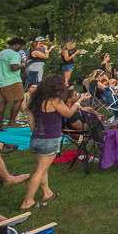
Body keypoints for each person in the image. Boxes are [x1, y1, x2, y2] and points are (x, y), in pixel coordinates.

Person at [21, 74, 85, 210]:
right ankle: (28, 201)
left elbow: (30, 121)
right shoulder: (55, 100)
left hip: (36, 138)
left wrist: (36, 133)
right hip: (49, 139)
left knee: (43, 169)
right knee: (40, 170)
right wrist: (79, 101)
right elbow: (67, 113)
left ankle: (47, 192)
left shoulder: (37, 100)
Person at [0, 38, 26, 131]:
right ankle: (12, 121)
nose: (20, 48)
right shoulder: (14, 54)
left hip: (0, 80)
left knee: (2, 102)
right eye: (20, 46)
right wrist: (22, 65)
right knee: (19, 99)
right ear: (16, 44)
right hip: (12, 80)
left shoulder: (1, 53)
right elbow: (14, 67)